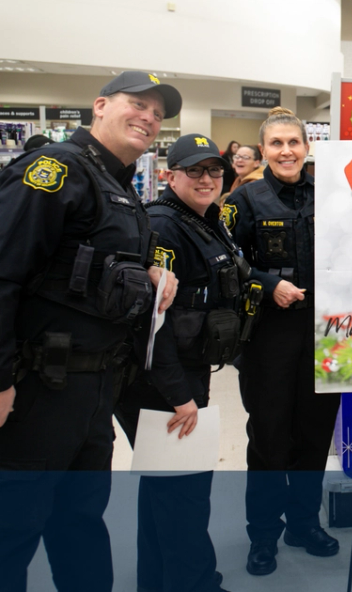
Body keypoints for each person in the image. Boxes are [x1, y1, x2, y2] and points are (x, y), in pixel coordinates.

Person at [0, 70, 180, 592]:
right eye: (137, 105)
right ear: (100, 105)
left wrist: (151, 273)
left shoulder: (118, 186)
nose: (148, 118)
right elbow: (4, 273)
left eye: (157, 113)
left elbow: (97, 261)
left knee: (80, 522)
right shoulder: (55, 171)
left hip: (93, 392)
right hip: (36, 392)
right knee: (12, 532)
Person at [115, 134, 251, 592]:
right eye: (194, 170)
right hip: (164, 382)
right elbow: (150, 325)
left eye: (214, 170)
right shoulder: (164, 226)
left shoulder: (205, 219)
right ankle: (194, 583)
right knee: (185, 493)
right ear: (171, 175)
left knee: (165, 489)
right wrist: (179, 396)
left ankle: (159, 581)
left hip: (185, 371)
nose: (206, 178)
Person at [226, 107, 340, 576]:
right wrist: (266, 282)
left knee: (314, 436)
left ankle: (304, 524)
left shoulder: (332, 194)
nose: (286, 151)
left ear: (307, 148)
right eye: (276, 143)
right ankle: (263, 535)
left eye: (294, 142)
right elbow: (226, 258)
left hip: (324, 334)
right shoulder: (244, 200)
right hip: (268, 335)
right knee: (269, 437)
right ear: (263, 150)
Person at [220, 145, 264, 210]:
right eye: (237, 157)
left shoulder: (258, 184)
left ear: (256, 163)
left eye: (245, 157)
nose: (239, 160)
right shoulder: (239, 180)